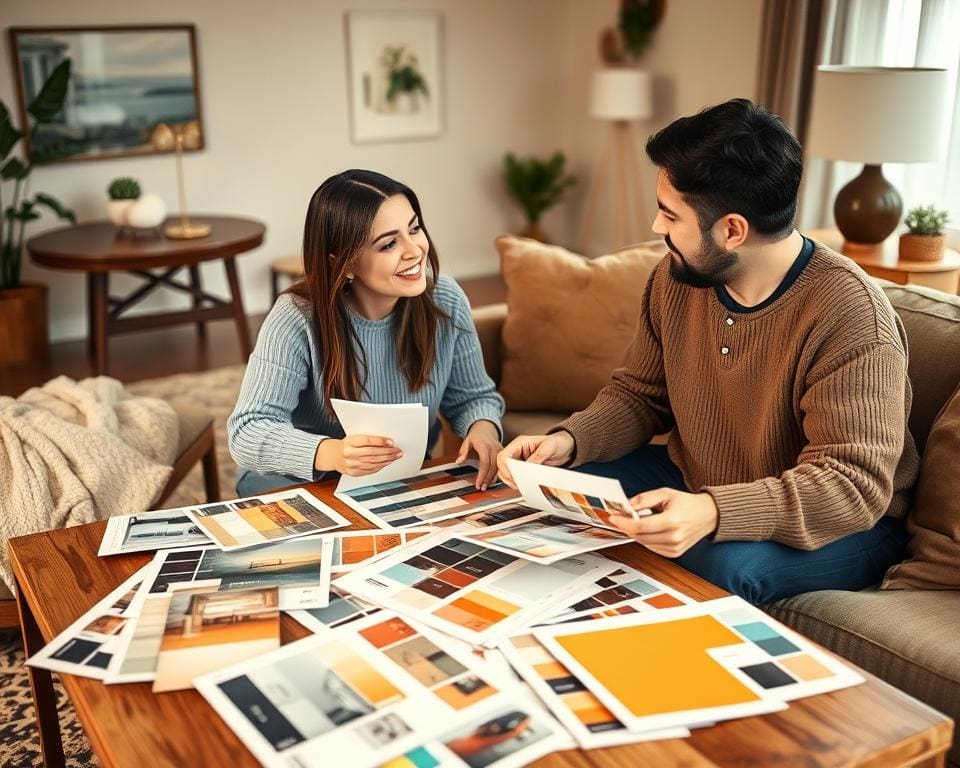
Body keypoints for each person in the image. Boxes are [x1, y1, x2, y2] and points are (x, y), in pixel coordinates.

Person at [496, 98, 920, 604]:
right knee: (550, 494)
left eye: (670, 214)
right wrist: (569, 441)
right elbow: (641, 395)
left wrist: (714, 512)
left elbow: (852, 485)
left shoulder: (849, 315)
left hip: (846, 523)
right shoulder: (677, 279)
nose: (657, 228)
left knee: (715, 566)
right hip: (697, 476)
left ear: (732, 230)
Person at [229, 169, 504, 496]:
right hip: (298, 486)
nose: (414, 250)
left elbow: (474, 397)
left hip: (395, 484)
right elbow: (247, 431)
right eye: (388, 243)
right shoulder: (296, 317)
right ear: (343, 263)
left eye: (414, 228)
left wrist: (483, 429)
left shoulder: (444, 298)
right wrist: (333, 453)